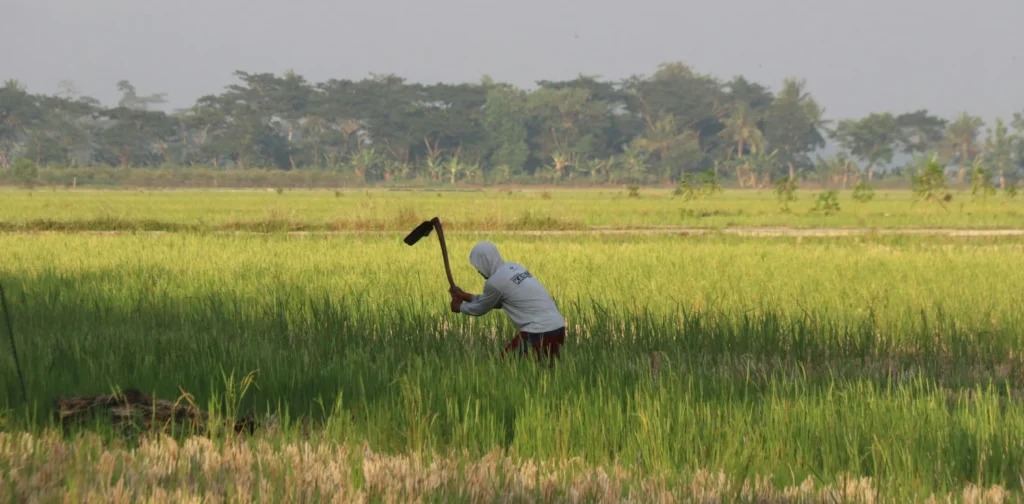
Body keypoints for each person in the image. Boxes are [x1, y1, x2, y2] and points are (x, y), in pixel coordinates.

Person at [449, 241, 566, 365]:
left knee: (504, 367)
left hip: (538, 330)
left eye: (478, 267)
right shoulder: (514, 267)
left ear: (485, 262)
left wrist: (460, 307)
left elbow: (482, 308)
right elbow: (495, 301)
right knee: (544, 371)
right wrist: (464, 295)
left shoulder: (495, 282)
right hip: (558, 327)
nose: (478, 271)